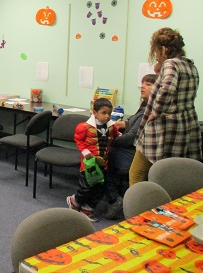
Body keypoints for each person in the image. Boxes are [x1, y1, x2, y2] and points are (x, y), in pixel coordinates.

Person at [130, 27, 202, 185]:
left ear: (163, 49)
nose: (157, 57)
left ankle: (137, 208)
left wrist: (155, 111)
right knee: (171, 176)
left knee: (137, 174)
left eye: (156, 53)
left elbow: (168, 88)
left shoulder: (171, 64)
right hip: (185, 127)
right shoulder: (191, 66)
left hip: (164, 131)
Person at [103, 74, 158, 220]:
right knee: (106, 154)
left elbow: (132, 138)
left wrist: (109, 141)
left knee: (104, 156)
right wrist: (125, 124)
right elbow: (136, 126)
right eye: (142, 83)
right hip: (132, 149)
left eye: (148, 84)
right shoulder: (145, 105)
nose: (143, 87)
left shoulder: (151, 108)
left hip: (136, 153)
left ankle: (114, 199)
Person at [67, 98, 120, 222]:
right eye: (104, 113)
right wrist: (86, 153)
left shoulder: (111, 127)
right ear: (95, 112)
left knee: (99, 188)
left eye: (109, 113)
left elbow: (117, 136)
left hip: (104, 163)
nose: (107, 116)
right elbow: (79, 141)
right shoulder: (84, 127)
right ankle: (74, 201)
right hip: (89, 164)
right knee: (86, 187)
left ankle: (88, 208)